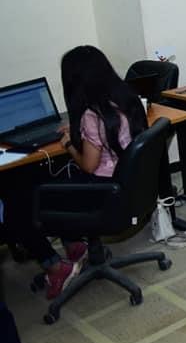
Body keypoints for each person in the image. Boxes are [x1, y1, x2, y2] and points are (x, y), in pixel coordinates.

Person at [3, 45, 148, 299]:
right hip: (124, 186)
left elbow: (88, 165)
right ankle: (75, 247)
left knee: (19, 201)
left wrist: (69, 143)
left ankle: (55, 266)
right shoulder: (127, 99)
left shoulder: (93, 115)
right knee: (40, 177)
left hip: (102, 193)